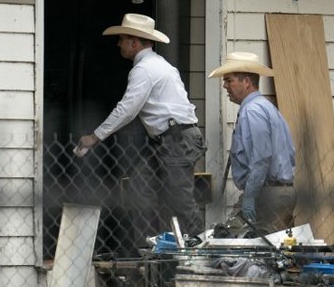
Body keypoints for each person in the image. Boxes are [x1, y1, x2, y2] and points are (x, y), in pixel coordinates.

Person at [76, 13, 206, 237]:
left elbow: (127, 109)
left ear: (134, 42)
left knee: (180, 201)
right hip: (168, 139)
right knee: (140, 187)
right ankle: (154, 245)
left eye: (122, 39)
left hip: (175, 140)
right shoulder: (156, 64)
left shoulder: (144, 69)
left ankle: (198, 249)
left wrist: (95, 137)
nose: (118, 44)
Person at [209, 52, 296, 235]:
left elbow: (261, 158)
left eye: (229, 80)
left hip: (266, 194)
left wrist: (250, 197)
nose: (225, 86)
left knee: (233, 240)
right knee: (272, 249)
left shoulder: (252, 111)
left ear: (246, 81)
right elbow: (289, 154)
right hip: (278, 192)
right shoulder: (267, 107)